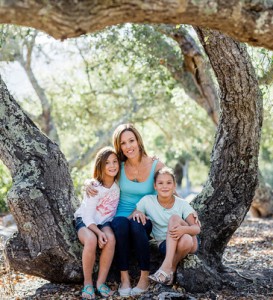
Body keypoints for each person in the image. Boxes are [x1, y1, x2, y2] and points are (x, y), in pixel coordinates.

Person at [86, 123, 164, 297]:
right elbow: (100, 176)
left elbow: (170, 189)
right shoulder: (119, 166)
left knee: (136, 225)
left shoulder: (155, 165)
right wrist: (87, 183)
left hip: (144, 217)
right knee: (120, 224)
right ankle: (125, 278)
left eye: (131, 141)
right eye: (123, 143)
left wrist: (188, 212)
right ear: (119, 146)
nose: (128, 146)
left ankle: (144, 278)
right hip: (120, 216)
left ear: (138, 141)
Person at [133, 167, 201, 285]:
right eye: (160, 183)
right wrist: (136, 212)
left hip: (192, 243)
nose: (165, 186)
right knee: (185, 239)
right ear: (155, 186)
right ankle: (171, 269)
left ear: (174, 185)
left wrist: (183, 229)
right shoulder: (147, 201)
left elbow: (196, 229)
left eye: (169, 183)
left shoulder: (182, 204)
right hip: (166, 244)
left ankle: (165, 266)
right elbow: (132, 216)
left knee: (175, 219)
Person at [74, 146, 120, 299]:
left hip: (104, 222)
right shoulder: (94, 187)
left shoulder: (118, 185)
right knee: (91, 239)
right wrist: (99, 233)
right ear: (101, 165)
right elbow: (87, 217)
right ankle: (88, 284)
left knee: (111, 239)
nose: (112, 165)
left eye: (115, 162)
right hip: (86, 222)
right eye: (107, 162)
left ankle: (101, 283)